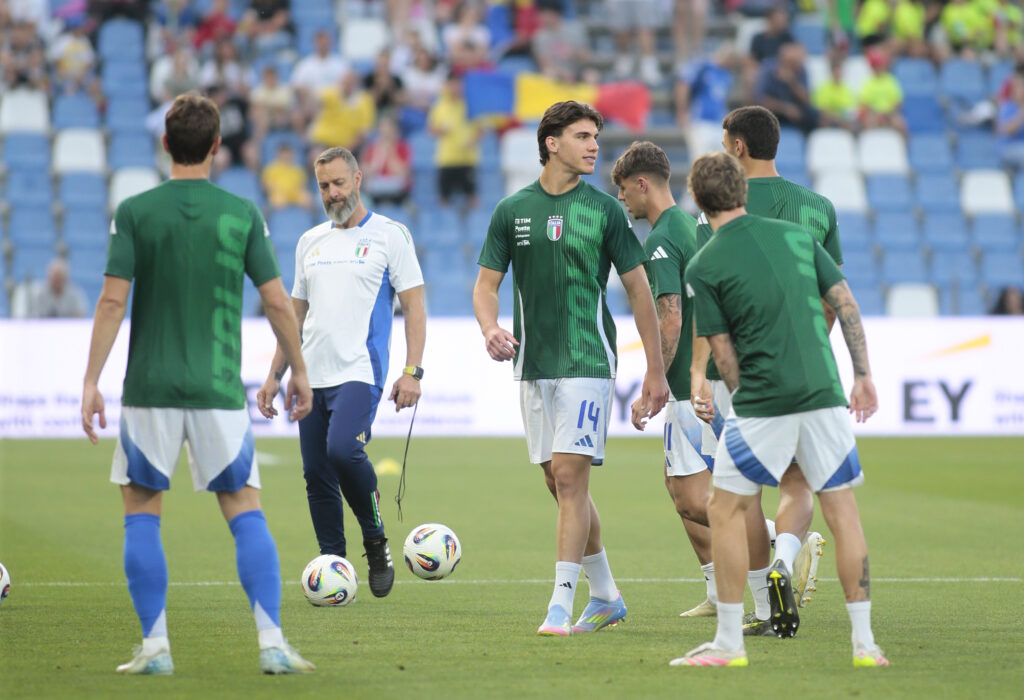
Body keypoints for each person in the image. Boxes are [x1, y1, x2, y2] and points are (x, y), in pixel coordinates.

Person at [80, 93, 315, 675]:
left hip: (150, 388)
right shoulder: (243, 214)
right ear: (217, 146)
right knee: (245, 511)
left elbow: (113, 300)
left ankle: (156, 647)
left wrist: (90, 381)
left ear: (165, 145)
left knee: (141, 511)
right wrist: (299, 370)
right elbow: (278, 302)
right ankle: (272, 642)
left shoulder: (134, 211)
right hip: (217, 390)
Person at [672, 150, 888, 668]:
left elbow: (722, 351)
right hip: (824, 392)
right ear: (744, 191)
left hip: (762, 400)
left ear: (698, 201)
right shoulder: (799, 238)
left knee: (725, 509)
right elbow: (846, 304)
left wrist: (733, 396)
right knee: (842, 514)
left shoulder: (705, 263)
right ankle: (865, 646)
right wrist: (862, 375)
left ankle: (728, 643)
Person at [473, 100, 670, 636]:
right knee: (557, 484)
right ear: (551, 143)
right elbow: (486, 285)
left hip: (588, 358)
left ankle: (560, 603)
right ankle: (606, 594)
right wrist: (490, 327)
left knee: (568, 474)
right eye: (582, 136)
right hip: (533, 363)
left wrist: (655, 370)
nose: (593, 147)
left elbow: (638, 290)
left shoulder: (605, 211)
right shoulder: (511, 211)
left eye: (596, 138)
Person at [692, 105, 841, 635]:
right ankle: (785, 558)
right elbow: (833, 296)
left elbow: (705, 301)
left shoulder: (717, 208)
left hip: (740, 372)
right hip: (806, 370)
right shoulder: (817, 207)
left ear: (736, 147)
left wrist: (699, 374)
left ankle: (757, 604)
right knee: (799, 482)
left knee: (741, 493)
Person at [257, 146, 426, 600]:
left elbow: (413, 305)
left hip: (359, 371)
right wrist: (276, 373)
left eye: (338, 183)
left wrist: (413, 371)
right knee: (315, 472)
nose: (332, 193)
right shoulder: (309, 241)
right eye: (324, 186)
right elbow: (294, 315)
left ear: (357, 178)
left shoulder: (391, 235)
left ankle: (375, 540)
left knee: (342, 451)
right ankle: (334, 565)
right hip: (310, 376)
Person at [610, 141, 720, 617]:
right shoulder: (694, 225)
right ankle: (720, 590)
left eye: (621, 191)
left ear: (642, 185)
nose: (621, 201)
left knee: (695, 497)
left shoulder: (659, 240)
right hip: (711, 376)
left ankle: (780, 543)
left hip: (688, 385)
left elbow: (669, 318)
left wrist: (655, 379)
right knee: (678, 487)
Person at [12, 258, 87, 318]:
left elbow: (80, 315)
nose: (55, 282)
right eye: (53, 278)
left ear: (65, 279)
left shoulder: (74, 294)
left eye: (59, 278)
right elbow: (37, 317)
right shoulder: (41, 294)